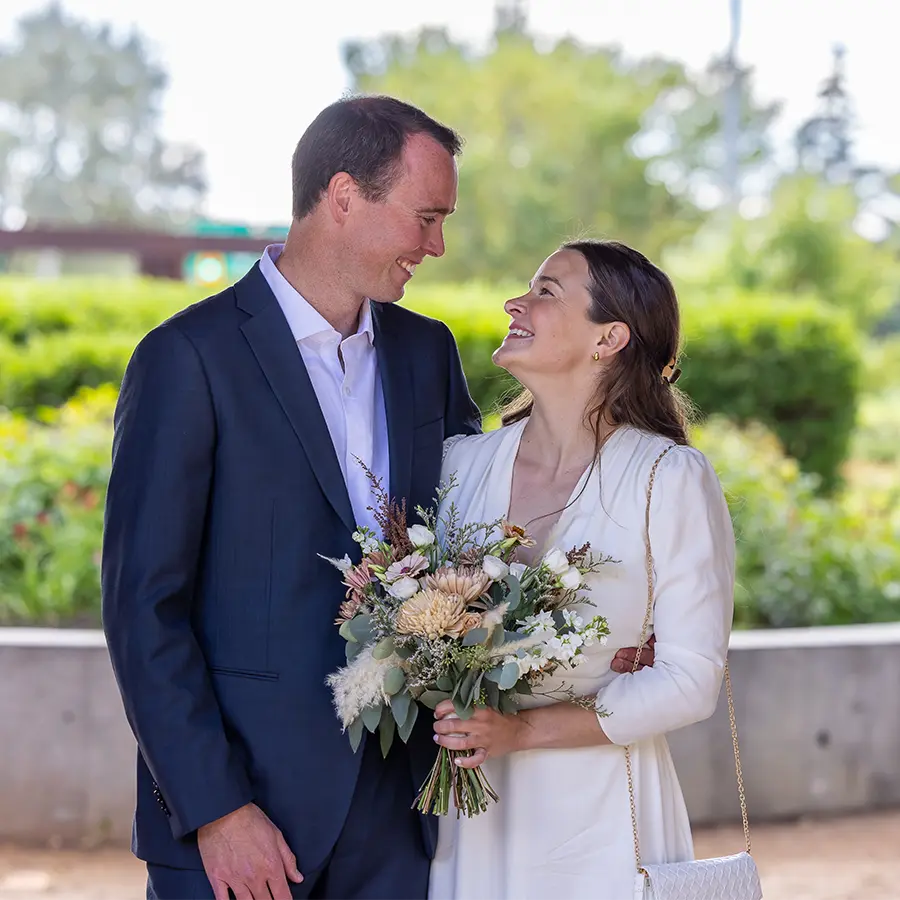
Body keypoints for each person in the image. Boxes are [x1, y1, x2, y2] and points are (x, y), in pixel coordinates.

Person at [102, 95, 655, 900]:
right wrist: (217, 810)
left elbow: (489, 530)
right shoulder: (185, 359)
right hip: (242, 820)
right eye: (426, 217)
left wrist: (612, 633)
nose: (437, 245)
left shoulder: (423, 352)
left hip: (400, 816)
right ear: (344, 196)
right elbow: (142, 608)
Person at [428, 239, 736, 900]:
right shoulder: (459, 466)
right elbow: (416, 623)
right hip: (472, 811)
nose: (516, 301)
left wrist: (523, 730)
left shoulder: (667, 477)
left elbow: (690, 679)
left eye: (546, 290)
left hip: (605, 820)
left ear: (610, 338)